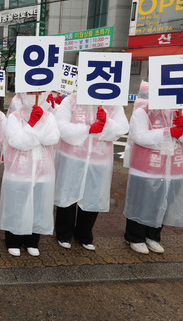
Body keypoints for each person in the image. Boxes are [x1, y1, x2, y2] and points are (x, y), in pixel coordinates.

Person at [123, 81, 183, 254]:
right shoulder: (143, 110)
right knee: (142, 202)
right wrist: (167, 132)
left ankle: (153, 236)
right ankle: (135, 236)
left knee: (163, 202)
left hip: (173, 167)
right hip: (146, 167)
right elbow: (139, 136)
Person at [53, 93, 129, 250]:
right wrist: (87, 129)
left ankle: (84, 234)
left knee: (92, 196)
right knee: (67, 193)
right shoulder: (72, 100)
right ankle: (63, 233)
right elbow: (60, 125)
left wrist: (106, 121)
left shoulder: (112, 102)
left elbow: (122, 128)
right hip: (73, 157)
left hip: (99, 159)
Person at [0, 91, 60, 257]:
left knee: (38, 206)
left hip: (42, 171)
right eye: (31, 93)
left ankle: (32, 240)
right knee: (17, 205)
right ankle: (13, 240)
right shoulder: (14, 117)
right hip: (19, 171)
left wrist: (38, 124)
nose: (35, 96)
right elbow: (17, 141)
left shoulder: (49, 116)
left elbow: (52, 138)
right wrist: (33, 123)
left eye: (39, 93)